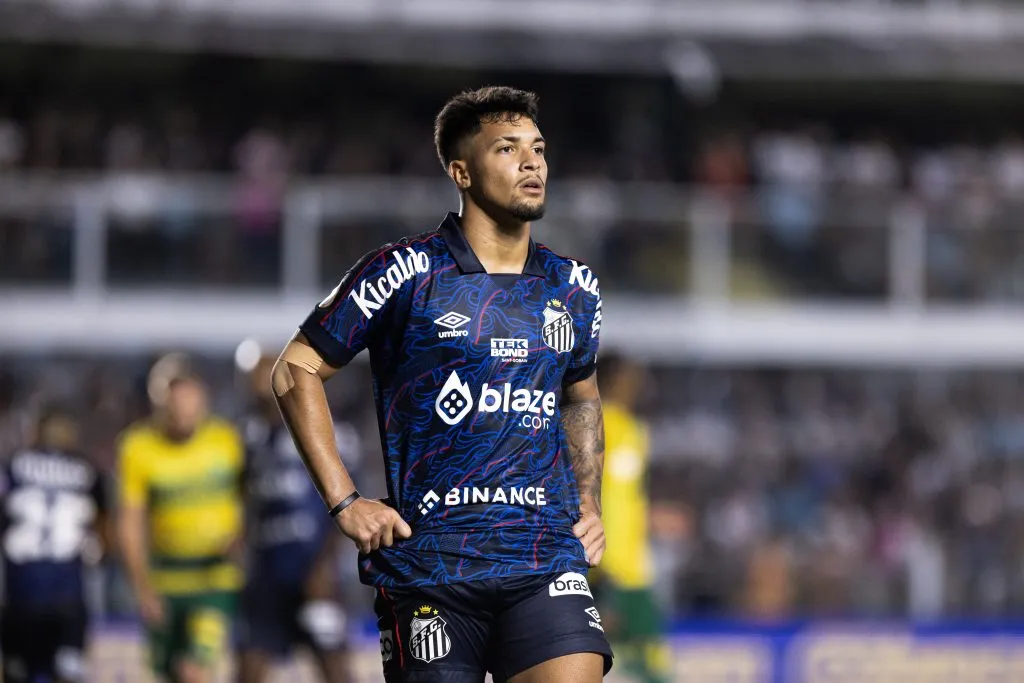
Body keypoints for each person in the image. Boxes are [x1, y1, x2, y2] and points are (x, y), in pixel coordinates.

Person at [271, 85, 611, 683]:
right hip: (432, 568)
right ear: (461, 171)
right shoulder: (405, 271)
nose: (532, 162)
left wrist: (588, 498)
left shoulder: (574, 285)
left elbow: (580, 394)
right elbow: (295, 369)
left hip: (544, 558)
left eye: (538, 148)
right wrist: (345, 502)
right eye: (507, 148)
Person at [117, 359, 245, 683]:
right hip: (165, 579)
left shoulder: (226, 441)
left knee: (195, 670)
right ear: (158, 404)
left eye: (191, 404)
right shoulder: (138, 447)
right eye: (174, 406)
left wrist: (241, 537)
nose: (184, 414)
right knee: (169, 672)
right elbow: (130, 523)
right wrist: (142, 588)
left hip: (214, 576)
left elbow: (249, 497)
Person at [236, 355, 353, 683]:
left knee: (334, 668)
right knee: (248, 669)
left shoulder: (329, 431)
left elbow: (350, 504)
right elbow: (244, 501)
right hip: (266, 577)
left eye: (268, 373)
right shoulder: (247, 438)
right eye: (255, 377)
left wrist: (324, 567)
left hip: (314, 576)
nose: (262, 384)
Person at [0, 403, 112, 683]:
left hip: (22, 594)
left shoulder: (13, 467)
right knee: (68, 673)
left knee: (20, 673)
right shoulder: (87, 471)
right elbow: (104, 527)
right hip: (67, 595)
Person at [594, 352, 671, 683]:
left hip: (632, 568)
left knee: (646, 664)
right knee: (648, 667)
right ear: (616, 380)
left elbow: (624, 497)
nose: (638, 386)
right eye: (631, 377)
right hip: (610, 569)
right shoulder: (600, 425)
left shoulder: (634, 430)